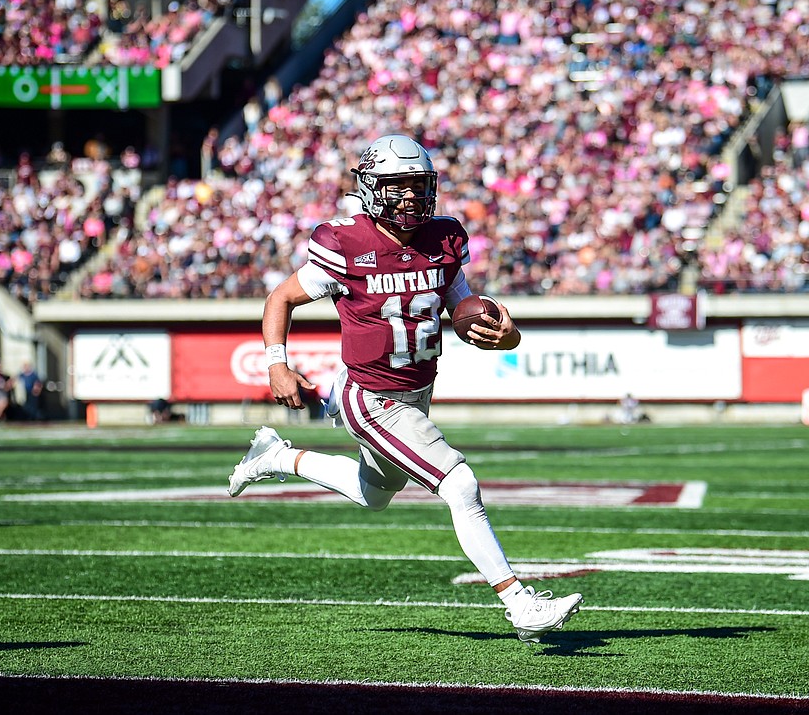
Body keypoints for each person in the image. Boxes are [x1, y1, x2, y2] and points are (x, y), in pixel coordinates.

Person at [227, 134, 582, 643]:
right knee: (460, 485)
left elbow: (464, 311)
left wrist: (508, 335)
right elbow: (281, 298)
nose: (412, 197)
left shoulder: (443, 241)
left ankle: (274, 458)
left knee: (372, 494)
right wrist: (276, 364)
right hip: (368, 395)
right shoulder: (344, 243)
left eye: (419, 186)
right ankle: (519, 604)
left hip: (415, 390)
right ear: (371, 188)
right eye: (399, 187)